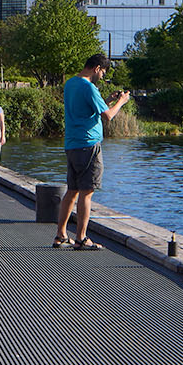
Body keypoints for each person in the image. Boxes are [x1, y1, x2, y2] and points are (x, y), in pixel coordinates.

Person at [56, 54, 130, 250]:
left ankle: (61, 235)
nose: (102, 76)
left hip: (72, 144)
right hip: (88, 144)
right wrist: (121, 102)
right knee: (86, 192)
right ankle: (81, 238)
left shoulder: (71, 83)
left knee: (71, 191)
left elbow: (86, 109)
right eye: (103, 72)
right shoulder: (89, 87)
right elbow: (108, 116)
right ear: (97, 68)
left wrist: (106, 99)